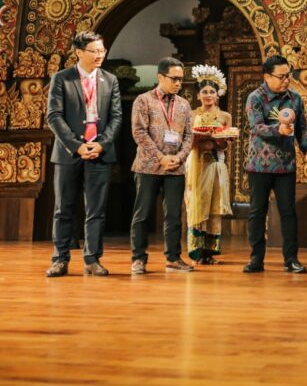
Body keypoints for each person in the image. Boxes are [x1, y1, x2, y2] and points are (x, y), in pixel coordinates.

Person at [45, 31, 122, 277]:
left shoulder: (110, 80)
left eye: (102, 50)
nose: (99, 55)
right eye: (94, 51)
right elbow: (54, 116)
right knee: (63, 209)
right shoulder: (62, 78)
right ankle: (60, 259)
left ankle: (92, 259)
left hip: (100, 152)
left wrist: (102, 144)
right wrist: (76, 145)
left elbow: (116, 117)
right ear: (79, 52)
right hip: (69, 153)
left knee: (96, 210)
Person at [243, 55, 307, 274]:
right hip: (259, 165)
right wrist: (278, 129)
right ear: (267, 77)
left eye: (288, 75)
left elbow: (302, 129)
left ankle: (291, 259)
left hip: (286, 165)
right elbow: (256, 127)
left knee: (288, 212)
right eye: (281, 76)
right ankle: (256, 259)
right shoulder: (255, 98)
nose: (286, 80)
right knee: (257, 212)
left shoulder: (295, 98)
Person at [129, 57, 194, 274]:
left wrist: (180, 157)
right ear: (160, 77)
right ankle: (138, 259)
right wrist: (160, 157)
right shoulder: (144, 100)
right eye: (174, 78)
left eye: (181, 79)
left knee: (174, 215)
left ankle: (173, 258)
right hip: (148, 166)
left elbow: (189, 135)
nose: (178, 83)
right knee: (142, 214)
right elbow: (139, 132)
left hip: (175, 168)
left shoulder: (184, 104)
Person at [185, 64, 233, 265]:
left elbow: (226, 143)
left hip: (215, 163)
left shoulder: (225, 116)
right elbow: (186, 140)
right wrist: (202, 138)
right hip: (196, 163)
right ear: (198, 95)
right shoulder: (191, 115)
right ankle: (196, 251)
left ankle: (210, 252)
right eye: (204, 92)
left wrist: (216, 139)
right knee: (196, 203)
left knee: (214, 206)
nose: (208, 95)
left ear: (217, 94)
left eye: (212, 91)